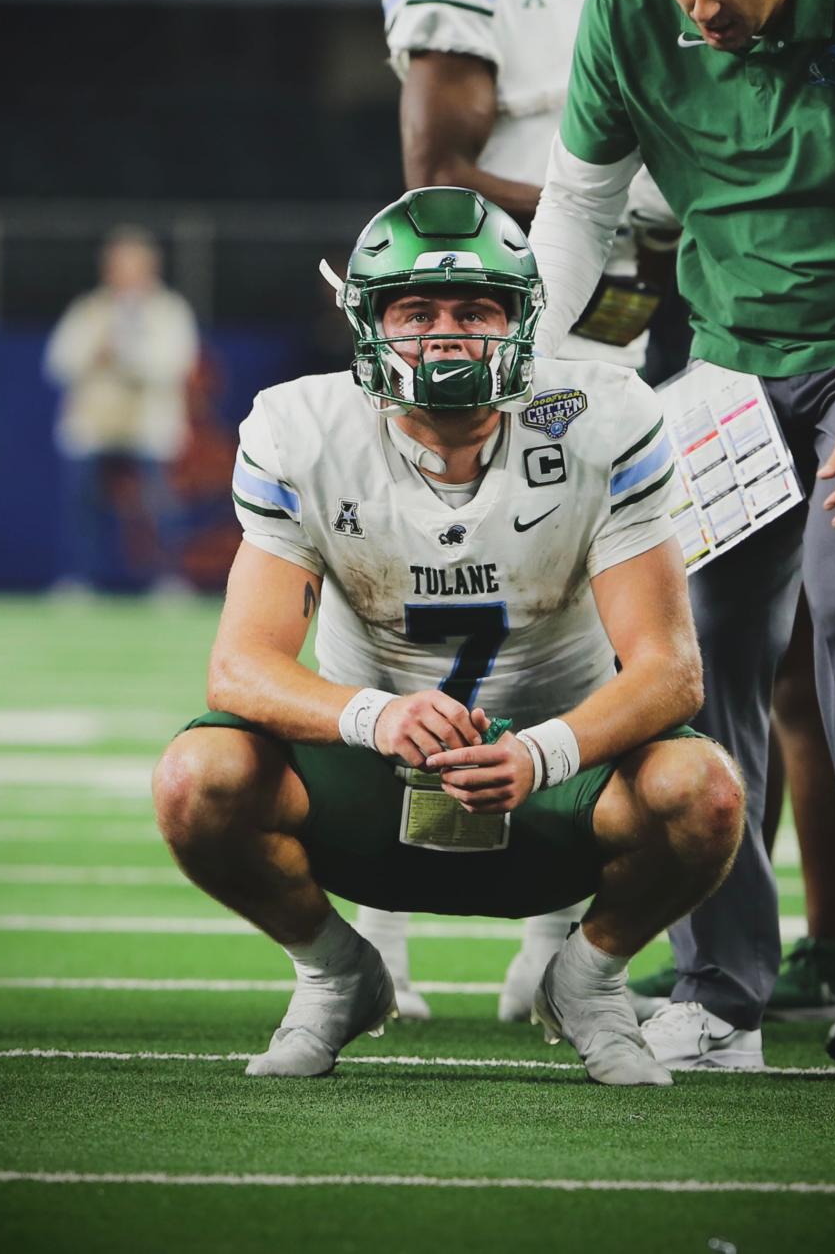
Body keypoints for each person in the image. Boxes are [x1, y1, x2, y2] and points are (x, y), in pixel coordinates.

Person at [151, 186, 745, 1085]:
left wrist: (544, 753)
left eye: (476, 308)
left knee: (705, 792)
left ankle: (586, 978)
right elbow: (240, 666)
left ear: (523, 318)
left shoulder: (603, 418)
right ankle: (334, 972)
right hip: (371, 789)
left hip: (559, 788)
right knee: (198, 781)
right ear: (367, 323)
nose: (446, 333)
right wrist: (375, 717)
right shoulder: (300, 429)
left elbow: (671, 670)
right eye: (415, 309)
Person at [529, 0, 835, 1067]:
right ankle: (718, 996)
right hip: (725, 363)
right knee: (694, 650)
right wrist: (539, 388)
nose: (700, 8)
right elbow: (579, 207)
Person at [375, 0, 682, 1023]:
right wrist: (606, 204)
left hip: (633, 341)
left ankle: (551, 951)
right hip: (491, 336)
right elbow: (437, 163)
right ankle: (379, 940)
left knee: (596, 649)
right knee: (428, 646)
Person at [633, 0, 835, 1025]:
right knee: (739, 659)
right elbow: (623, 211)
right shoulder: (684, 25)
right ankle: (749, 961)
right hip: (735, 371)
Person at [44, 225, 199, 594]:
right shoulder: (89, 309)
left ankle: (167, 582)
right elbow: (57, 362)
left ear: (151, 267)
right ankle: (80, 580)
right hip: (94, 427)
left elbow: (177, 364)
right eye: (119, 264)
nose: (126, 272)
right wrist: (94, 352)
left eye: (134, 264)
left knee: (160, 508)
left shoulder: (169, 310)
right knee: (83, 508)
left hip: (148, 429)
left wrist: (126, 357)